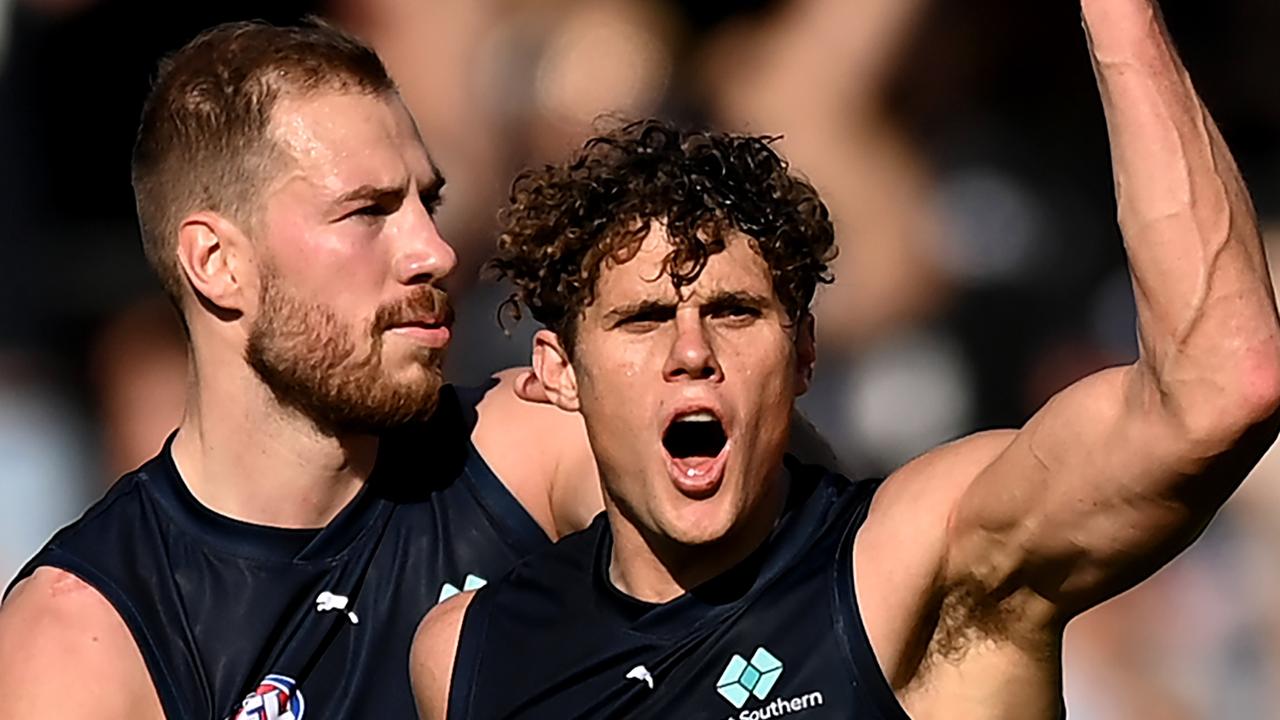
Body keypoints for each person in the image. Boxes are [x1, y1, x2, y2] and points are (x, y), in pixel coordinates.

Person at [410, 1, 1280, 717]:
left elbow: (1220, 384)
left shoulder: (915, 568)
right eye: (641, 320)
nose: (690, 352)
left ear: (805, 354)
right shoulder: (470, 652)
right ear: (558, 370)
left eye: (735, 312)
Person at [0, 19, 837, 720]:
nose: (433, 252)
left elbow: (807, 543)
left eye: (426, 203)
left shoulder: (523, 448)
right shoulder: (90, 637)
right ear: (216, 263)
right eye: (367, 211)